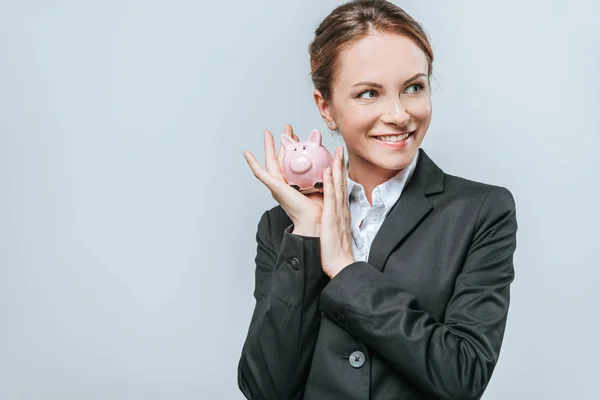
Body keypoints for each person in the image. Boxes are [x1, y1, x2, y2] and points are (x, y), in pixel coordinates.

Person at [238, 1, 518, 399]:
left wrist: (346, 271)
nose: (399, 114)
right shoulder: (280, 226)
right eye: (369, 93)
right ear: (326, 108)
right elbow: (266, 389)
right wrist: (309, 233)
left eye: (414, 87)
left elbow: (463, 375)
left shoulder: (481, 212)